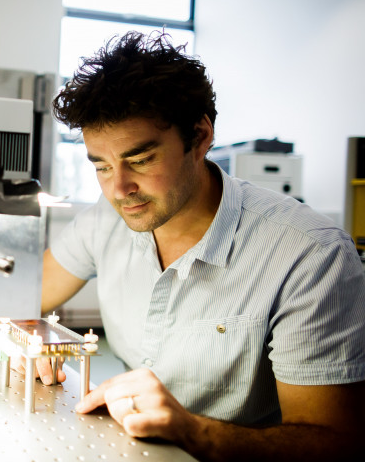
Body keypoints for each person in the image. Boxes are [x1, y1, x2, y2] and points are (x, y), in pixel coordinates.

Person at [35, 31, 365, 461]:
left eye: (140, 159)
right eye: (101, 165)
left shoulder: (310, 256)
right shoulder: (105, 218)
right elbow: (23, 296)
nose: (119, 189)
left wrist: (192, 431)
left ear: (200, 136)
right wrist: (33, 343)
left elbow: (336, 443)